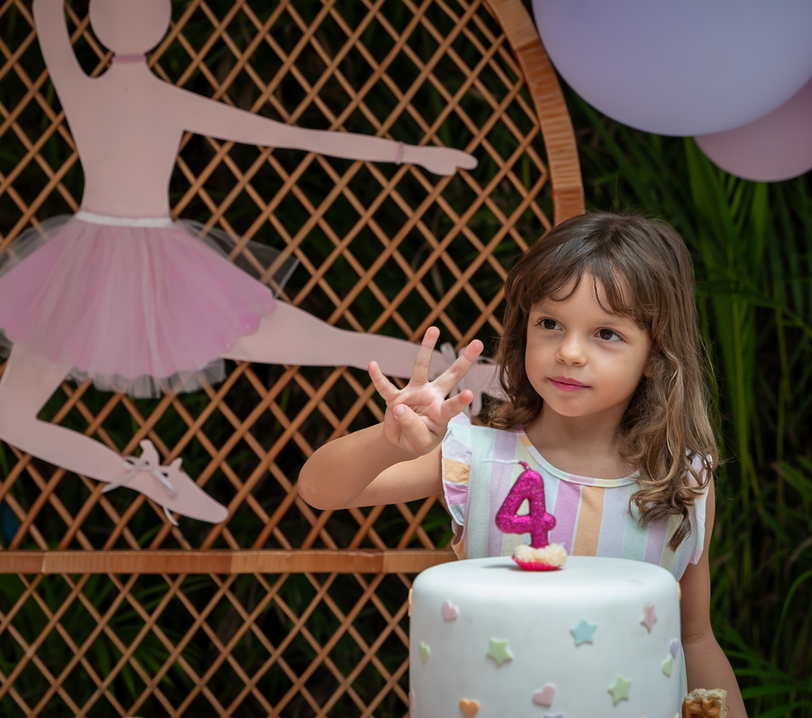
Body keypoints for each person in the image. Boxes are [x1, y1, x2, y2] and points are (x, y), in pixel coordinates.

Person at [0, 0, 479, 524]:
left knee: (12, 417)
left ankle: (142, 476)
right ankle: (474, 376)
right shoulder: (156, 99)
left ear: (99, 21)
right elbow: (296, 136)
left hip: (107, 265)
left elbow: (46, 9)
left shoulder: (87, 90)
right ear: (159, 21)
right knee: (332, 344)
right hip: (135, 265)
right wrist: (409, 154)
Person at [298, 211, 747, 715]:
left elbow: (694, 637)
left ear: (656, 355)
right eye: (550, 324)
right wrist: (390, 443)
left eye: (606, 333)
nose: (570, 353)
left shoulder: (682, 481)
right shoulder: (475, 457)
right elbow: (318, 490)